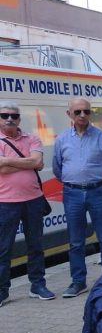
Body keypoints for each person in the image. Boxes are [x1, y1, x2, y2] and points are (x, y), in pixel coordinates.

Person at [53, 97, 102, 298]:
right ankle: (78, 282)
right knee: (76, 241)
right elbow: (57, 168)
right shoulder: (62, 139)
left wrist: (96, 181)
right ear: (69, 114)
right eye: (78, 111)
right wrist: (75, 180)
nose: (82, 115)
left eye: (86, 111)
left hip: (99, 191)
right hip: (72, 193)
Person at [0, 102, 55, 305]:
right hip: (5, 202)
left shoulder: (32, 138)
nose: (9, 119)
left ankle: (37, 285)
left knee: (36, 245)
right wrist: (28, 163)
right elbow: (4, 168)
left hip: (33, 200)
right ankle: (2, 291)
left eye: (14, 116)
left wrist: (7, 161)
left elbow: (37, 162)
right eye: (4, 115)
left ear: (19, 119)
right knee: (3, 248)